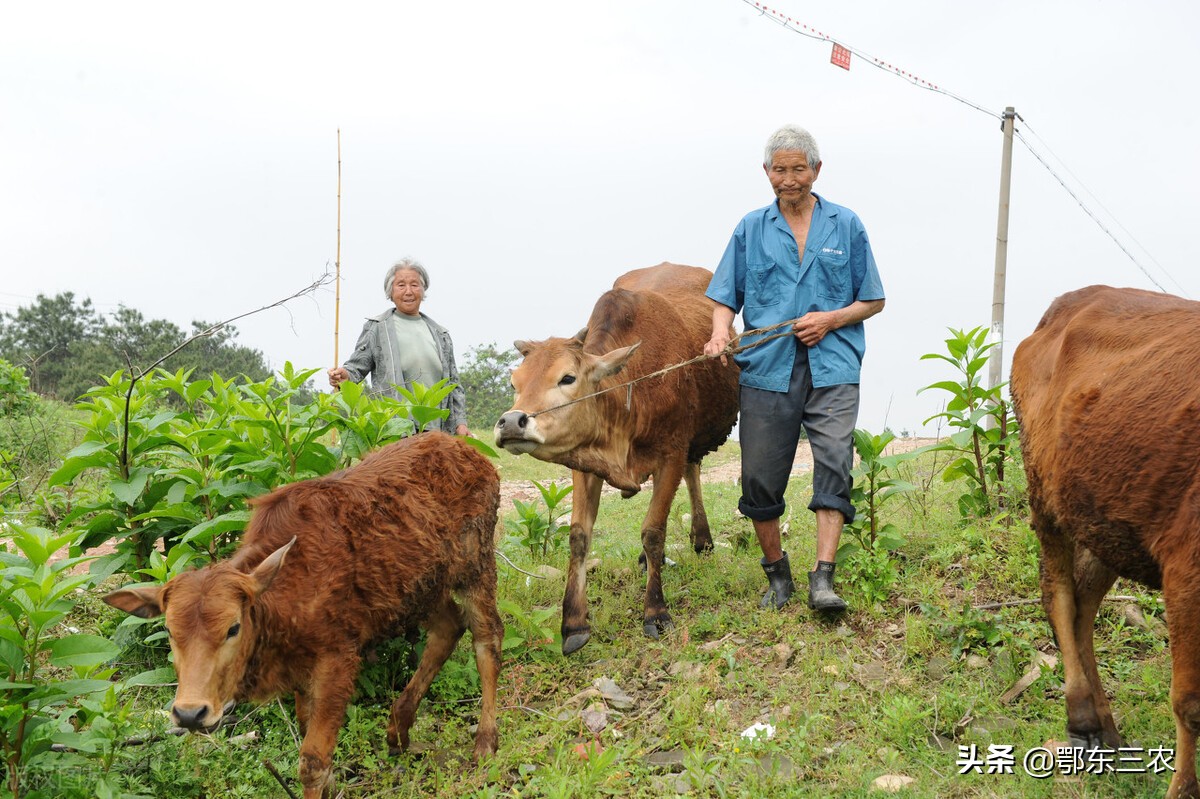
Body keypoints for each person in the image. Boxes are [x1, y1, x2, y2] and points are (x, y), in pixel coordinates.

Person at [704, 125, 885, 613]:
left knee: (833, 460)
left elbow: (874, 299)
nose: (789, 179)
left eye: (798, 169)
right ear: (767, 173)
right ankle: (777, 574)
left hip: (835, 365)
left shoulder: (846, 225)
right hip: (766, 368)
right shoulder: (750, 228)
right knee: (760, 477)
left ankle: (822, 579)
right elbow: (724, 297)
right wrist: (721, 333)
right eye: (779, 170)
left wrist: (831, 318)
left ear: (816, 170)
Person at [328, 258, 469, 436]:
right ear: (391, 292)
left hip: (437, 431)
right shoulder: (378, 328)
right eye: (401, 285)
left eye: (415, 285)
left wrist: (461, 423)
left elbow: (454, 385)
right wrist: (344, 375)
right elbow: (356, 368)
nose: (408, 291)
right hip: (396, 429)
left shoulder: (440, 334)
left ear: (423, 289)